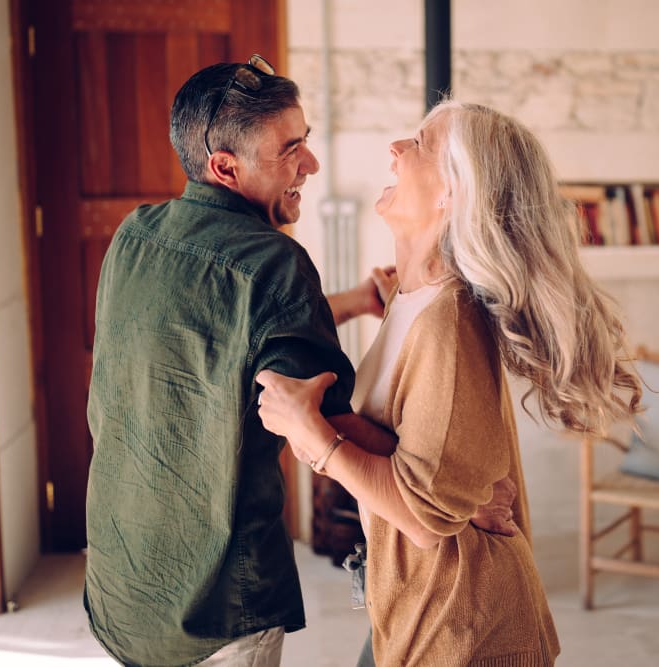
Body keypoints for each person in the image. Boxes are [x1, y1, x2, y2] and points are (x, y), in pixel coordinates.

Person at [255, 100, 643, 666]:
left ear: (454, 192)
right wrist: (465, 494)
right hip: (426, 610)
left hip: (465, 627)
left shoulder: (448, 319)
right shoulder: (414, 301)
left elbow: (424, 517)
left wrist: (313, 438)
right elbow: (426, 464)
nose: (395, 150)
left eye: (420, 144)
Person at [82, 57, 394, 667]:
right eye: (292, 148)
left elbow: (224, 329)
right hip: (216, 603)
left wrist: (354, 302)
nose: (311, 164)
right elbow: (319, 430)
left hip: (121, 583)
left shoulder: (136, 235)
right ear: (225, 166)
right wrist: (446, 486)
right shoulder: (276, 263)